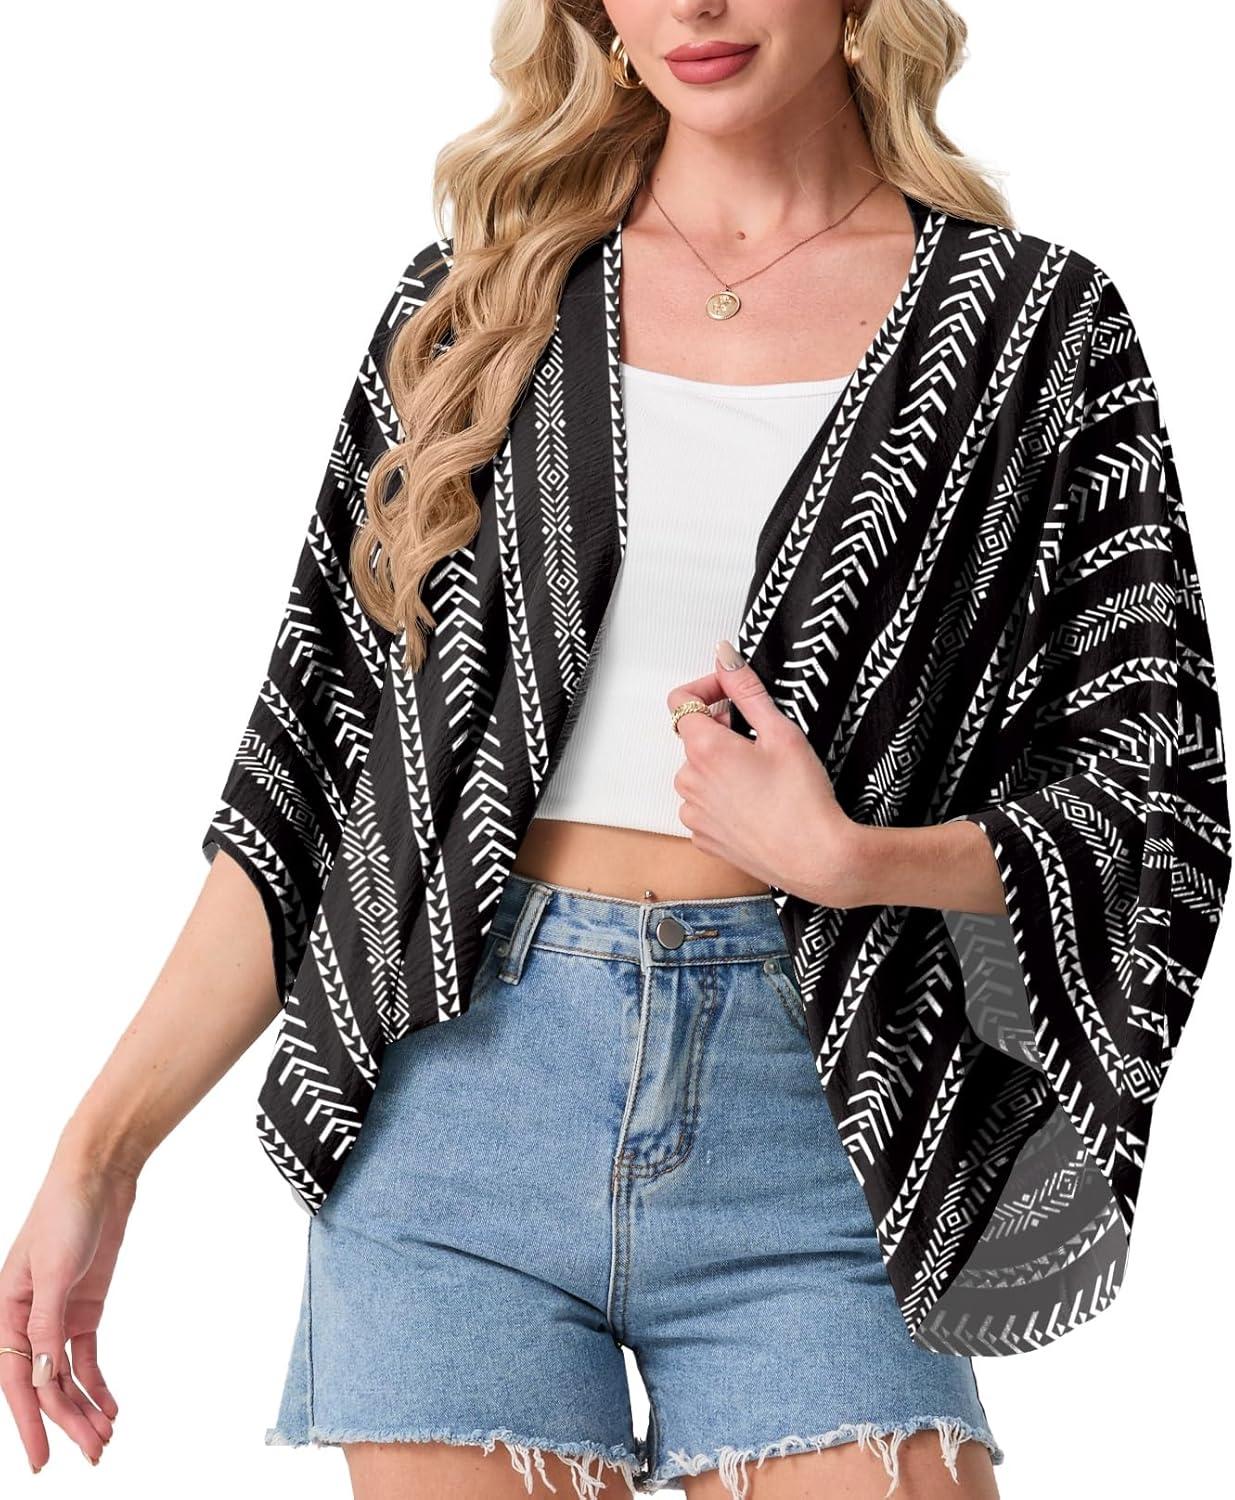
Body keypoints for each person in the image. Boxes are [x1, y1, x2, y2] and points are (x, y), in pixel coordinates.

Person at [3, 3, 1227, 1498]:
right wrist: (99, 1153)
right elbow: (306, 791)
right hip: (463, 1119)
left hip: (823, 1121)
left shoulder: (1035, 332)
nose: (694, 7)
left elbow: (1157, 800)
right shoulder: (477, 310)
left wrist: (859, 860)